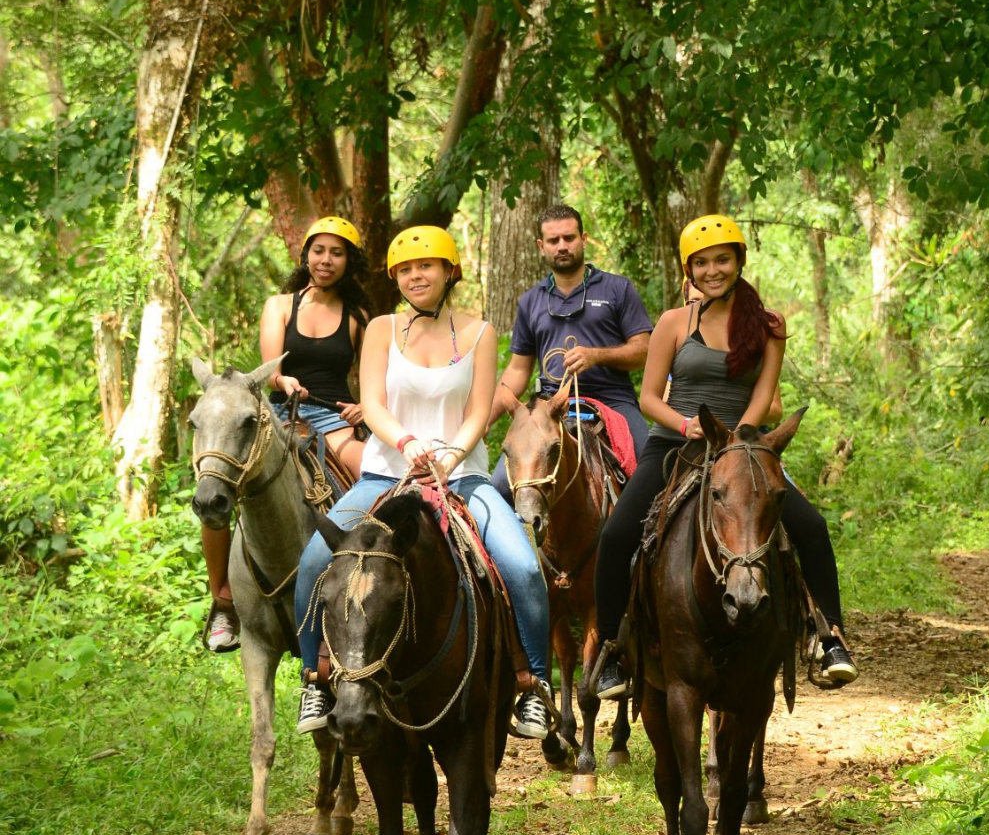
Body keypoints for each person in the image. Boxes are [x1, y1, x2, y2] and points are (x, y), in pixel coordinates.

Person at [293, 225, 553, 739]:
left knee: (522, 568)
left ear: (449, 271)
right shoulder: (382, 329)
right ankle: (315, 679)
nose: (416, 276)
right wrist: (409, 445)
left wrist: (452, 454)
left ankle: (534, 687)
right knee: (315, 563)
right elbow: (372, 404)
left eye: (426, 266)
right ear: (396, 277)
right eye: (406, 269)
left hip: (464, 476)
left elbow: (480, 409)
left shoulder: (479, 332)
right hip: (386, 471)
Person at [590, 213, 857, 697]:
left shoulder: (769, 326)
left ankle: (829, 637)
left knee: (811, 528)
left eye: (722, 260)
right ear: (689, 270)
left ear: (739, 262)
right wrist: (686, 424)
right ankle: (611, 648)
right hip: (677, 446)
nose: (713, 270)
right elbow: (650, 397)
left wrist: (741, 439)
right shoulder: (673, 322)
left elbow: (763, 395)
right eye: (703, 263)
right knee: (615, 533)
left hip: (746, 449)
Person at [202, 216, 368, 653]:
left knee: (376, 476)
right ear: (305, 254)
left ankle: (371, 585)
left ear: (348, 261)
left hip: (334, 421)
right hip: (280, 414)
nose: (326, 260)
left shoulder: (357, 317)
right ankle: (223, 599)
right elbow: (270, 367)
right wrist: (281, 382)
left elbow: (372, 378)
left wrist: (365, 405)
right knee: (217, 480)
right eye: (319, 250)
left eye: (336, 253)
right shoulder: (279, 306)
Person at [486, 203, 653, 494]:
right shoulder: (531, 301)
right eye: (553, 241)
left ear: (583, 239)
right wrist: (484, 421)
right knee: (500, 484)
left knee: (652, 474)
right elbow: (517, 369)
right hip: (550, 407)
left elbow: (643, 351)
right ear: (541, 246)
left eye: (569, 238)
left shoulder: (617, 289)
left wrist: (596, 356)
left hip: (614, 401)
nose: (562, 246)